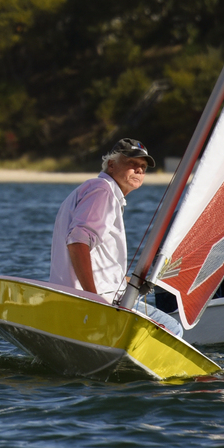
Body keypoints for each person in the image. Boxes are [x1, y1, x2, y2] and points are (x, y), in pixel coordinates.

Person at [49, 138, 182, 335]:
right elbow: (78, 241)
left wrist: (132, 281)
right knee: (173, 329)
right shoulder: (103, 191)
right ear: (111, 164)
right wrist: (93, 299)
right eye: (132, 164)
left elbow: (94, 258)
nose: (139, 170)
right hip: (97, 301)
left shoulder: (96, 189)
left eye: (143, 167)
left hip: (76, 297)